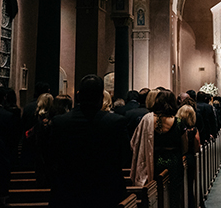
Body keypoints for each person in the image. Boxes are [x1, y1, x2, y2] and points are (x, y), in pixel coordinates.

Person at [47, 75, 130, 208]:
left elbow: (51, 156)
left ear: (78, 96)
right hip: (106, 191)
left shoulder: (60, 122)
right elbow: (125, 156)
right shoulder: (116, 122)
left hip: (68, 192)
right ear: (101, 98)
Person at [132, 90, 186, 208]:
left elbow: (135, 142)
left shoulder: (148, 120)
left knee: (155, 194)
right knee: (174, 194)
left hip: (154, 160)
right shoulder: (178, 122)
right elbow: (185, 146)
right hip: (174, 162)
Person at [177, 104, 200, 208]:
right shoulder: (193, 130)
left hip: (180, 158)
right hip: (189, 158)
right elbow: (197, 148)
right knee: (190, 184)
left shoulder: (177, 128)